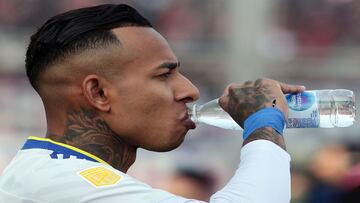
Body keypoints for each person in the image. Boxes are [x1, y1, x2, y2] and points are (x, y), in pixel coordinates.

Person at [0, 4, 305, 203]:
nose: (190, 90)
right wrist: (264, 124)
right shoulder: (59, 183)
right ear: (99, 93)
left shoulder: (49, 174)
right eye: (164, 75)